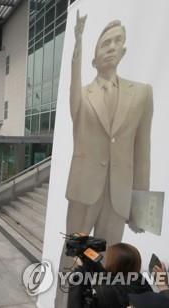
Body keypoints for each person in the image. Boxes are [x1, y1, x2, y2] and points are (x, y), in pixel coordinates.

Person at [65, 11, 154, 246]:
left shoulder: (142, 94)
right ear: (93, 59)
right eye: (105, 43)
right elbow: (74, 97)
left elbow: (142, 155)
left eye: (117, 41)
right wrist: (78, 43)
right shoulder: (83, 95)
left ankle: (101, 284)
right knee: (74, 256)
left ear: (123, 51)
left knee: (109, 260)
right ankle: (68, 284)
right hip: (84, 190)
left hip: (118, 196)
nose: (112, 47)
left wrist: (141, 211)